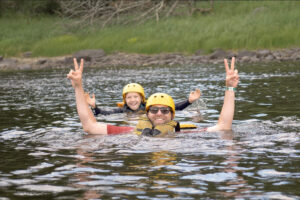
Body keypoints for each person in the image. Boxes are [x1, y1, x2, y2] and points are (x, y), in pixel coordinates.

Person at [67, 57, 239, 136]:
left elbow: (223, 126)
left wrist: (229, 89)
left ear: (172, 114)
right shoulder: (130, 132)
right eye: (155, 110)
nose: (159, 114)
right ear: (147, 113)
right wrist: (78, 87)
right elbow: (89, 125)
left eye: (165, 111)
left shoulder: (185, 133)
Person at [85, 83, 201, 116]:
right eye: (129, 98)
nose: (132, 100)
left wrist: (189, 101)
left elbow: (173, 107)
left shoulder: (149, 108)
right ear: (125, 100)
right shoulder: (122, 111)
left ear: (142, 98)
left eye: (135, 97)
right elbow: (104, 113)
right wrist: (94, 107)